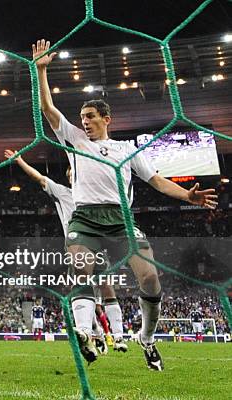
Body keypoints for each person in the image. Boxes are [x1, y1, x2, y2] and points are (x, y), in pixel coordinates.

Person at [32, 39, 218, 371]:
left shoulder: (126, 150)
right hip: (85, 218)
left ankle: (146, 338)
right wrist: (41, 70)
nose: (84, 122)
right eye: (81, 117)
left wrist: (188, 196)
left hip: (120, 219)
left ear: (106, 118)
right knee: (80, 267)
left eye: (90, 116)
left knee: (149, 278)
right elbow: (48, 110)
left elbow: (157, 182)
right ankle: (85, 332)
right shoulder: (74, 140)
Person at [4, 151, 128, 354]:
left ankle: (119, 336)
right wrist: (20, 161)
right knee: (81, 292)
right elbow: (39, 178)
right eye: (70, 175)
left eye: (76, 174)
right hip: (77, 247)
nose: (73, 177)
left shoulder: (96, 196)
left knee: (106, 289)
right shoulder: (63, 193)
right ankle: (92, 334)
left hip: (97, 247)